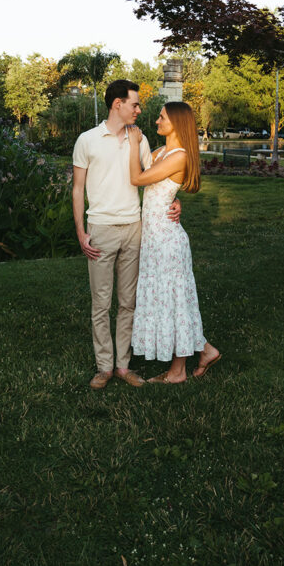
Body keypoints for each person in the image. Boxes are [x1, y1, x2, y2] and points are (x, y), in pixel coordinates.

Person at [72, 80, 181, 390]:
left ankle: (123, 366)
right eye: (134, 104)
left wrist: (175, 199)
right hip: (101, 229)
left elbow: (155, 179)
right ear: (116, 104)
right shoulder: (88, 140)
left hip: (135, 228)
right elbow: (78, 189)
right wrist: (81, 232)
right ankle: (103, 367)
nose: (139, 109)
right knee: (101, 303)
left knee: (128, 302)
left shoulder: (140, 139)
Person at [127, 102, 221, 383]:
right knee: (170, 301)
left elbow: (137, 178)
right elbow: (158, 186)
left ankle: (178, 371)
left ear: (177, 124)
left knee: (175, 301)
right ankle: (206, 350)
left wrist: (133, 144)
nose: (157, 121)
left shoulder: (178, 156)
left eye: (162, 117)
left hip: (167, 241)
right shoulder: (160, 152)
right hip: (154, 240)